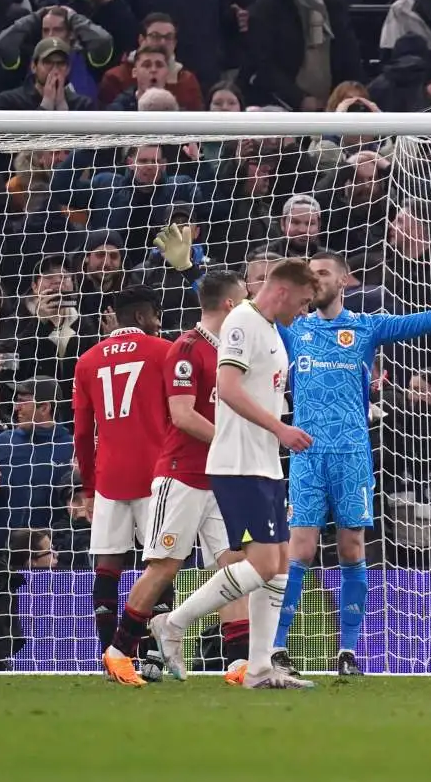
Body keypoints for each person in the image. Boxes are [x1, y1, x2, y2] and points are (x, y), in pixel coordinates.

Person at [268, 243, 431, 677]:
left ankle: (348, 652)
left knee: (351, 548)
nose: (314, 280)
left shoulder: (366, 328)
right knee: (298, 551)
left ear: (343, 280)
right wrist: (195, 270)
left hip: (354, 456)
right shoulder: (292, 330)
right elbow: (241, 315)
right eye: (309, 274)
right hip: (307, 456)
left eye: (323, 273)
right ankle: (278, 648)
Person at [149, 258, 319, 689]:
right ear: (281, 291)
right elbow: (227, 388)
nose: (303, 310)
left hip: (262, 462)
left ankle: (259, 667)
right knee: (261, 563)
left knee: (279, 563)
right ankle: (172, 624)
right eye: (302, 302)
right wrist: (280, 427)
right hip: (238, 462)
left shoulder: (269, 329)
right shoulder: (242, 323)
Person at [100, 273, 250, 687]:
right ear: (230, 306)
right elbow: (183, 416)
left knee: (235, 567)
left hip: (221, 479)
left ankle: (238, 662)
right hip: (181, 477)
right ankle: (119, 651)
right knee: (164, 567)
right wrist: (231, 442)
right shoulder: (186, 348)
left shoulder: (233, 351)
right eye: (245, 298)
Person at [70, 287, 174, 678]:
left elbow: (82, 434)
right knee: (160, 567)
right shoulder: (164, 351)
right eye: (157, 317)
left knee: (108, 567)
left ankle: (111, 658)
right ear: (146, 316)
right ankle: (154, 658)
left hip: (110, 477)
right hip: (158, 474)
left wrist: (89, 488)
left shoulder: (87, 361)